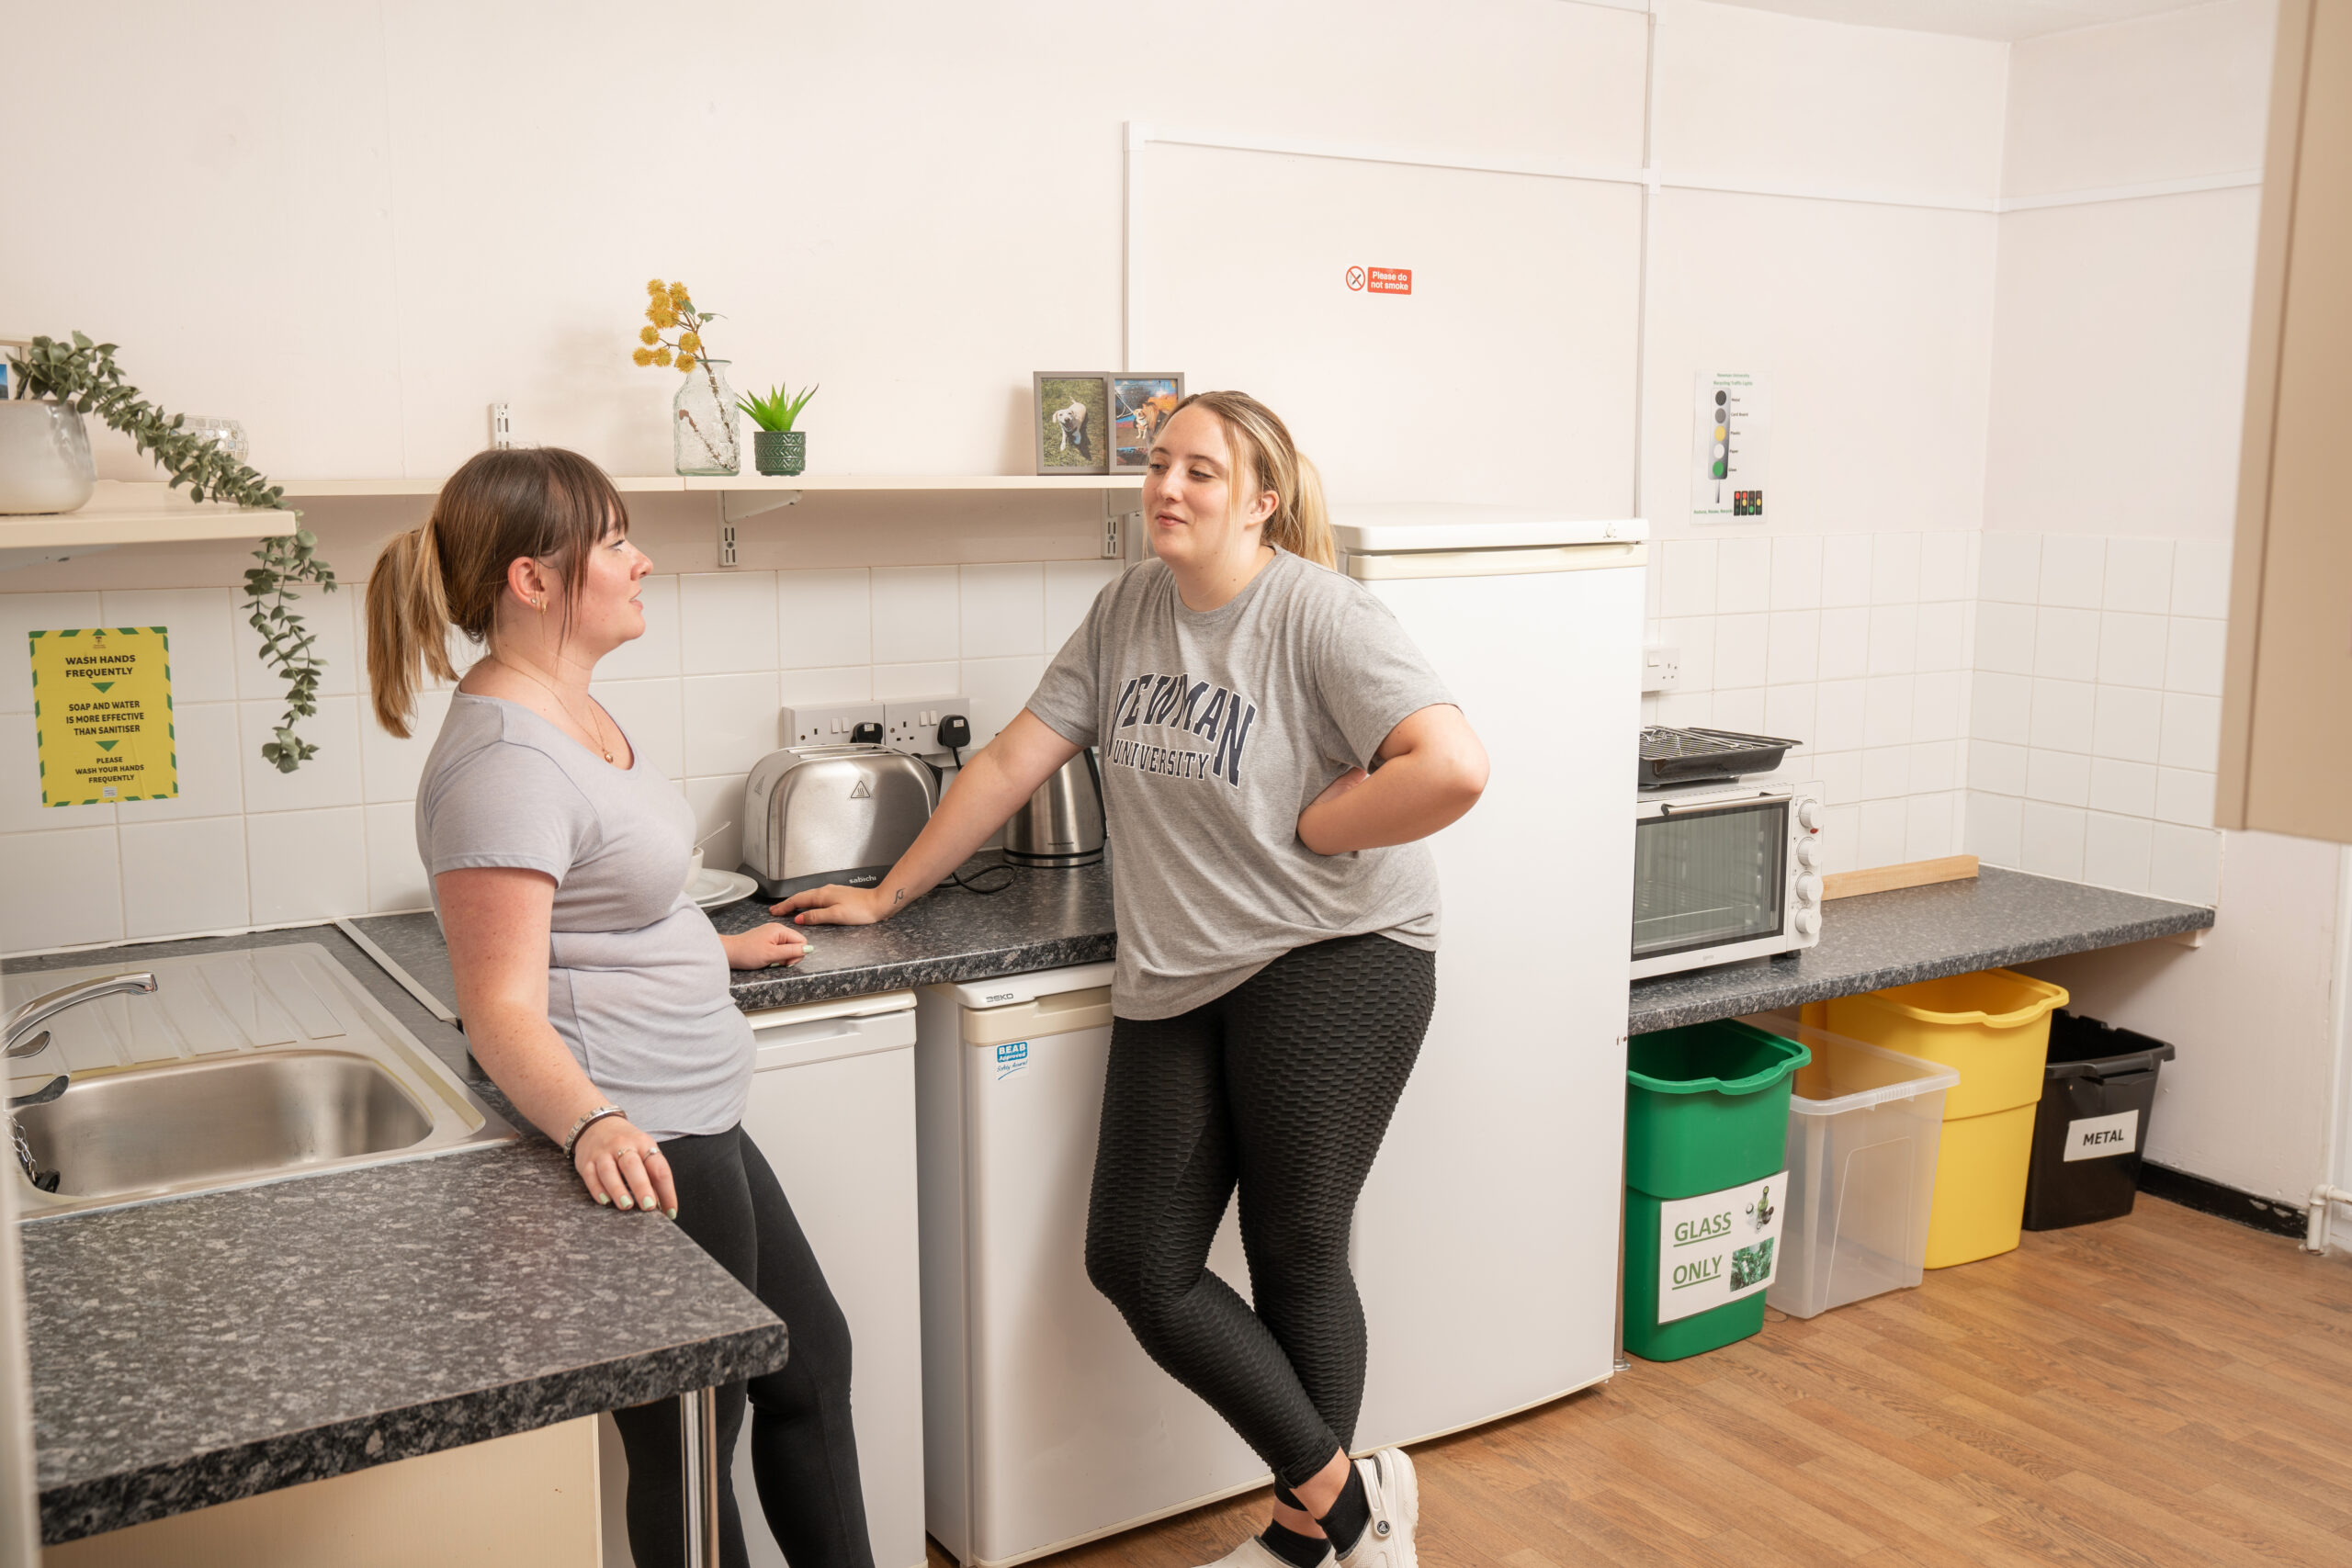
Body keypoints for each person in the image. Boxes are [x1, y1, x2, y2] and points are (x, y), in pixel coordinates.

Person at [778, 390, 1487, 1568]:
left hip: (1333, 960)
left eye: (1200, 472)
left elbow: (1451, 767)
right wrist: (888, 892)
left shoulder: (1317, 615)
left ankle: (1309, 1544)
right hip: (1183, 966)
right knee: (1139, 1261)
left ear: (1262, 500)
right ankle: (1351, 1507)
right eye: (1157, 466)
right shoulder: (1126, 612)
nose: (1167, 488)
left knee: (1295, 1248)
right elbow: (1013, 756)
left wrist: (1326, 821)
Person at [365, 447, 874, 1568]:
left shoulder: (568, 711)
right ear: (532, 582)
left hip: (690, 1111)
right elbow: (500, 1005)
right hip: (638, 1132)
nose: (640, 560)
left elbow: (605, 905)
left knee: (809, 1365)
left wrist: (711, 948)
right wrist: (593, 1124)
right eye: (612, 542)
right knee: (698, 1437)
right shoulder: (503, 758)